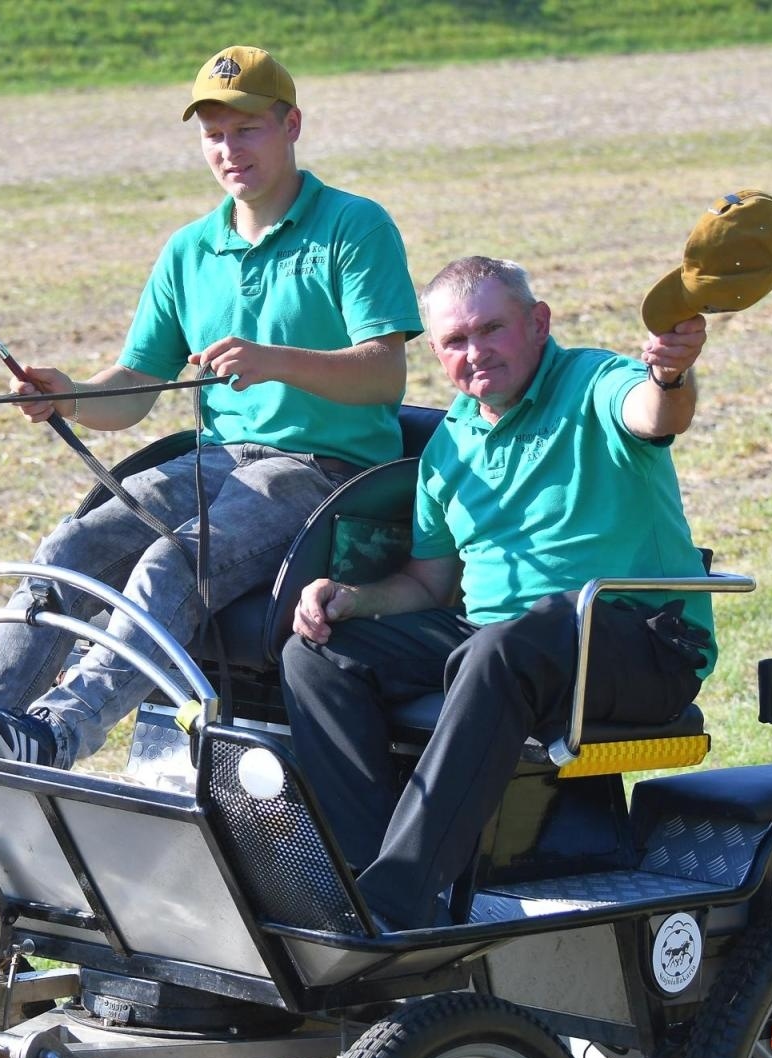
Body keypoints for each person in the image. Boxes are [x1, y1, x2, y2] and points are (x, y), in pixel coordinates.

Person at [0, 45, 423, 768]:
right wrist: (67, 395)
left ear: (292, 125)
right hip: (219, 462)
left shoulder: (354, 227)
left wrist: (271, 361)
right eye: (214, 135)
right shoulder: (189, 251)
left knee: (173, 565)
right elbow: (135, 388)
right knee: (71, 551)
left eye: (247, 129)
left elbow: (384, 376)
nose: (229, 150)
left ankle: (56, 734)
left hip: (324, 475)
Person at [281, 255, 713, 930]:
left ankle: (398, 900)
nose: (475, 352)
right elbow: (428, 583)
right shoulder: (449, 444)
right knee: (315, 656)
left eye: (492, 329)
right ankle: (355, 884)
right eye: (456, 341)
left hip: (639, 641)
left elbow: (655, 414)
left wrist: (670, 372)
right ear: (435, 352)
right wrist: (350, 598)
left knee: (507, 646)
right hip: (509, 646)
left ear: (537, 323)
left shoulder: (595, 380)